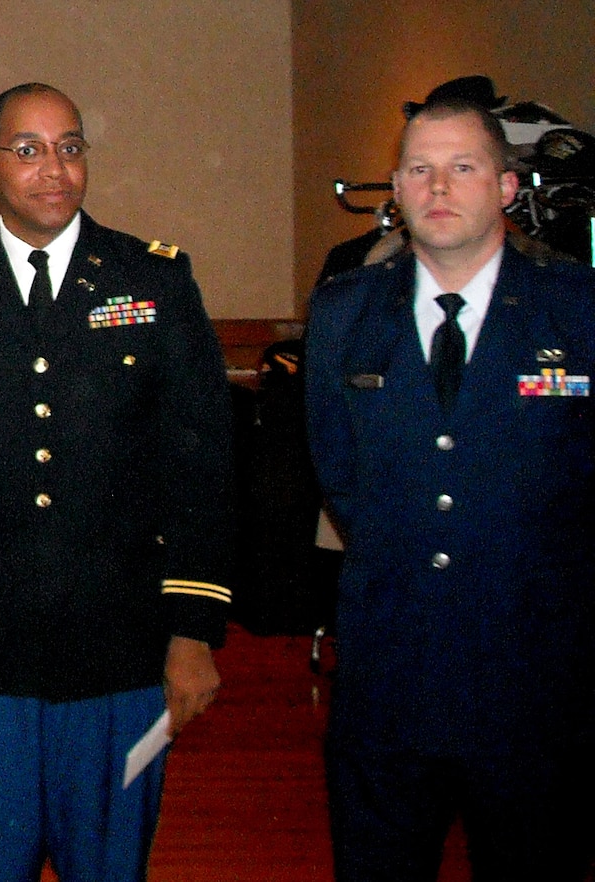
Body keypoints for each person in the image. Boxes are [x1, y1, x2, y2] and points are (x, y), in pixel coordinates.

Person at [0, 82, 234, 882]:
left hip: (123, 650)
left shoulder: (154, 282)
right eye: (27, 151)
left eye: (70, 147)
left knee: (110, 861)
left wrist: (194, 630)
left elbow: (201, 464)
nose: (54, 169)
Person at [304, 94, 595, 881]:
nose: (439, 187)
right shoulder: (343, 313)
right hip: (390, 672)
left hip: (535, 675)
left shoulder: (577, 309)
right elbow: (341, 471)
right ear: (395, 188)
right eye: (420, 169)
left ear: (505, 186)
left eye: (462, 167)